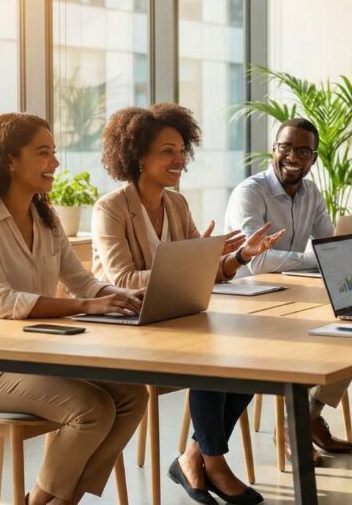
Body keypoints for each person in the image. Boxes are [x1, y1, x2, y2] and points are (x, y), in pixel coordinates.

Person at [0, 112, 148, 505]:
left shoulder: (46, 220)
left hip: (33, 357)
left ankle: (54, 500)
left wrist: (122, 297)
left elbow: (82, 280)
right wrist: (87, 304)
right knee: (91, 409)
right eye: (43, 153)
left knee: (132, 395)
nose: (54, 163)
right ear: (8, 160)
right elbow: (0, 302)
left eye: (54, 152)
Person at [91, 104, 283, 505]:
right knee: (211, 358)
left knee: (248, 358)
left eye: (181, 150)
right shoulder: (111, 208)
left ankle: (197, 456)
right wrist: (190, 265)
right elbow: (122, 280)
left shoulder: (176, 204)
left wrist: (240, 257)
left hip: (175, 318)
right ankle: (211, 461)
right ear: (138, 155)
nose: (179, 159)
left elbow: (205, 271)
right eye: (167, 151)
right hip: (128, 324)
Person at [223, 118, 352, 465]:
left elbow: (329, 244)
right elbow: (257, 261)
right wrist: (318, 257)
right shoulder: (250, 192)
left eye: (303, 150)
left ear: (313, 158)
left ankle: (307, 415)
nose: (292, 156)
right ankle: (292, 428)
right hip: (246, 307)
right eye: (285, 147)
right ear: (274, 149)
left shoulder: (311, 193)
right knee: (302, 344)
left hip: (291, 294)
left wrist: (345, 255)